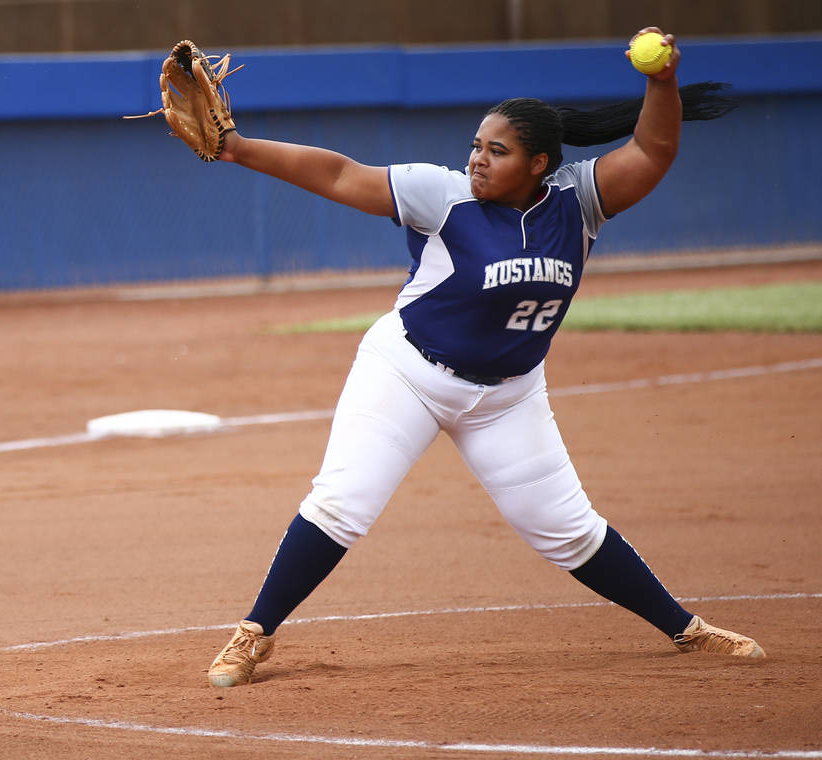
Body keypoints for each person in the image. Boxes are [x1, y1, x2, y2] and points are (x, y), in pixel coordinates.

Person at [202, 28, 764, 688]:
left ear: (538, 163)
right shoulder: (443, 196)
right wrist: (235, 149)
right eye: (475, 145)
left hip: (507, 395)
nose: (476, 159)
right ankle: (254, 634)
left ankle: (685, 630)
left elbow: (653, 148)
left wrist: (661, 81)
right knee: (342, 502)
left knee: (567, 531)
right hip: (407, 372)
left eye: (497, 150)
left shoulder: (579, 203)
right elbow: (339, 172)